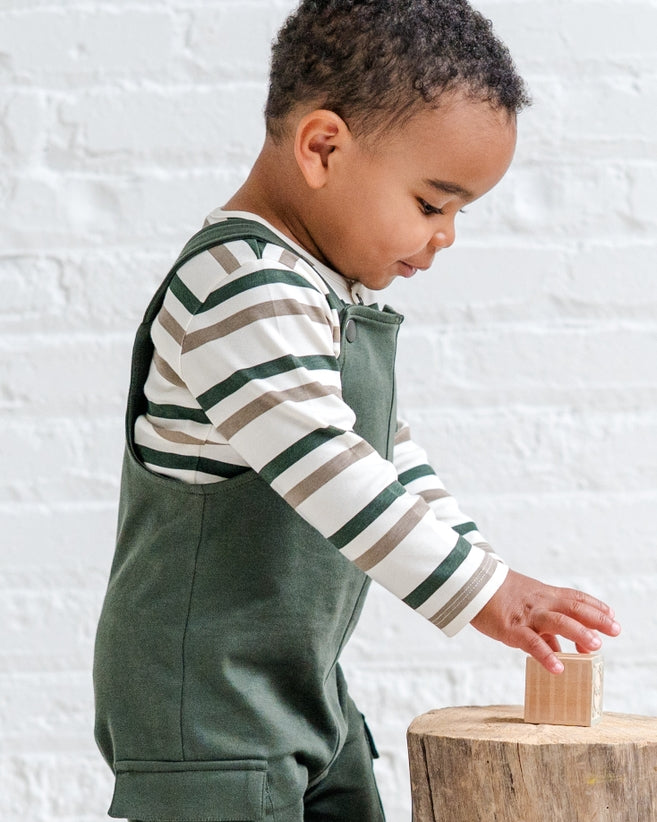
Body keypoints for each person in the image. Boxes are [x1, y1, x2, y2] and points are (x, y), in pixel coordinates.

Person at [93, 1, 621, 820]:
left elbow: (382, 458)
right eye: (430, 202)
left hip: (301, 692)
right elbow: (331, 471)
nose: (444, 236)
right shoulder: (241, 284)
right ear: (323, 148)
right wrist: (485, 592)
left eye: (458, 213)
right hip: (212, 715)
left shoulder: (316, 291)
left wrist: (480, 561)